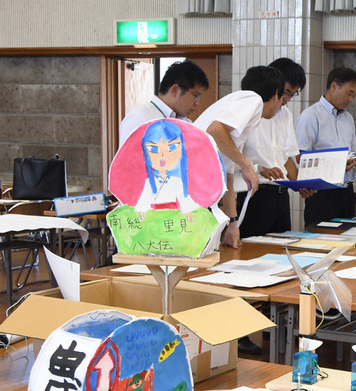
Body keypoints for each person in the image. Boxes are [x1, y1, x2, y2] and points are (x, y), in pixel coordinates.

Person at [193, 66, 283, 356]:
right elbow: (214, 130)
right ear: (274, 95)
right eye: (283, 100)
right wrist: (248, 165)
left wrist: (233, 223)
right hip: (193, 193)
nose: (281, 107)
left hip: (204, 192)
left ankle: (217, 337)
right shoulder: (252, 101)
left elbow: (228, 177)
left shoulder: (236, 106)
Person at [233, 58, 313, 238]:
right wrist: (259, 168)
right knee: (252, 255)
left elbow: (286, 157)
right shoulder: (248, 113)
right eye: (285, 93)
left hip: (281, 196)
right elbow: (230, 159)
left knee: (282, 250)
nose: (287, 99)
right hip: (255, 195)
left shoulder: (285, 114)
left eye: (293, 94)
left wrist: (301, 185)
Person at [295, 66, 356, 226]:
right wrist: (336, 164)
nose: (351, 100)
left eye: (354, 95)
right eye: (349, 93)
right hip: (322, 192)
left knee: (348, 238)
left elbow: (351, 154)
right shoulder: (311, 116)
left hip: (346, 190)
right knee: (320, 241)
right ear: (334, 86)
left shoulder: (348, 118)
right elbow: (301, 157)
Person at [118, 60, 209, 147]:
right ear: (175, 90)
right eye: (196, 95)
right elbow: (127, 160)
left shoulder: (187, 124)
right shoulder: (140, 118)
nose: (197, 102)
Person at [133, 119, 201, 214]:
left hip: (173, 214)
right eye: (153, 148)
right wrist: (142, 212)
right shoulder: (149, 182)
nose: (162, 156)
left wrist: (188, 212)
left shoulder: (176, 180)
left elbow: (183, 198)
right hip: (155, 215)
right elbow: (144, 199)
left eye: (172, 147)